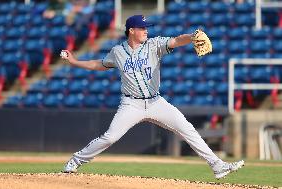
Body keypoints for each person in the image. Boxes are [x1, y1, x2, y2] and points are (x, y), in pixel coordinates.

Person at [60, 15, 244, 179]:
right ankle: (75, 161)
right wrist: (74, 61)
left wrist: (191, 36)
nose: (146, 31)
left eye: (147, 27)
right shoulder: (118, 52)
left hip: (156, 102)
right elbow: (99, 64)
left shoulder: (154, 45)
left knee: (187, 129)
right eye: (142, 28)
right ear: (131, 31)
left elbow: (176, 40)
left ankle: (217, 166)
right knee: (110, 137)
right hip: (131, 104)